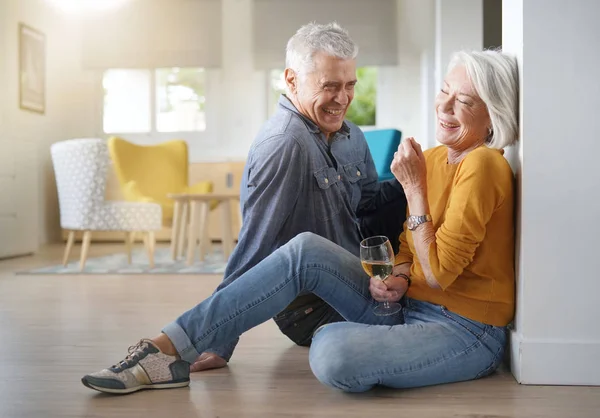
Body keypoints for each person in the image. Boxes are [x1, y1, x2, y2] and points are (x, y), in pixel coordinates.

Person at [81, 48, 518, 395]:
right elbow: (407, 246)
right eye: (444, 92)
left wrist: (414, 190)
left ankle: (388, 348)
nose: (446, 106)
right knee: (305, 248)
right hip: (406, 306)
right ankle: (165, 350)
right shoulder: (438, 157)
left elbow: (441, 274)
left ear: (492, 113)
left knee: (332, 351)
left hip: (463, 329)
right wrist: (400, 274)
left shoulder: (484, 165)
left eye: (463, 101)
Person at [189, 22, 406, 373]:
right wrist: (217, 340)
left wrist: (421, 177)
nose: (344, 99)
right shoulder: (284, 144)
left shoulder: (351, 134)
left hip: (357, 279)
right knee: (435, 312)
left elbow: (368, 206)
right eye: (330, 87)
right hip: (311, 307)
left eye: (350, 85)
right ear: (291, 80)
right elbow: (255, 248)